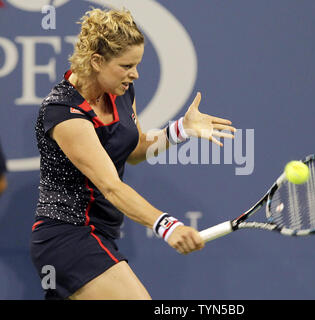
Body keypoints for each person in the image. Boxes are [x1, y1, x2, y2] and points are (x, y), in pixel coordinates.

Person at [30, 8, 235, 300]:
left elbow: (135, 150)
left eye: (136, 64)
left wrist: (180, 130)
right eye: (126, 65)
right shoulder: (64, 111)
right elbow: (111, 186)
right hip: (66, 237)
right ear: (97, 61)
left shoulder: (122, 91)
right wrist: (167, 225)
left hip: (102, 233)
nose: (135, 74)